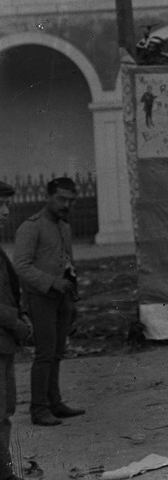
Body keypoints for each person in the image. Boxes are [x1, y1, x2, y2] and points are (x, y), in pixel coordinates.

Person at [13, 176, 84, 427]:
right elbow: (20, 266)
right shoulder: (31, 227)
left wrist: (72, 297)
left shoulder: (64, 227)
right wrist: (51, 283)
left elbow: (68, 265)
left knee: (56, 353)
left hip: (62, 299)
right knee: (44, 354)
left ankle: (55, 402)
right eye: (61, 199)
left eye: (71, 201)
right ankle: (39, 409)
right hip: (40, 298)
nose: (66, 205)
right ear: (48, 197)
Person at [0, 182, 34, 478]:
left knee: (5, 411)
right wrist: (19, 324)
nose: (5, 212)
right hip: (3, 338)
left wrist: (21, 313)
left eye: (6, 205)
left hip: (4, 343)